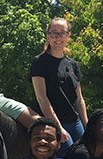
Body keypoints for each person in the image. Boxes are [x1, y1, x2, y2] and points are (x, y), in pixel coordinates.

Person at [30, 17, 88, 151]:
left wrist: (87, 125)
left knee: (85, 157)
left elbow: (79, 100)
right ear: (48, 36)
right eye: (54, 33)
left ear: (68, 36)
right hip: (52, 124)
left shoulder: (72, 64)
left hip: (75, 122)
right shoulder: (40, 62)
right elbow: (42, 98)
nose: (58, 37)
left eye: (62, 33)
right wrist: (58, 127)